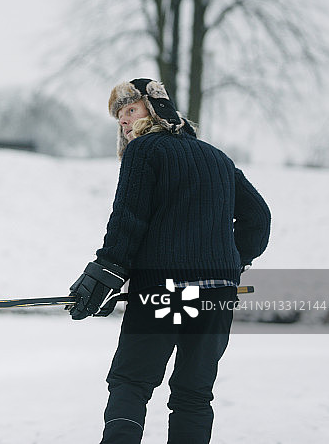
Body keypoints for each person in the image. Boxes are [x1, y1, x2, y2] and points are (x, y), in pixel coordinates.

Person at [66, 78, 271, 444]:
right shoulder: (218, 158)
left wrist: (104, 274)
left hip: (164, 289)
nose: (124, 122)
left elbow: (128, 220)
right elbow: (258, 218)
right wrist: (231, 263)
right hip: (216, 295)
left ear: (154, 108)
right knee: (194, 394)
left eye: (130, 110)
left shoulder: (144, 151)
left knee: (131, 381)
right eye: (119, 118)